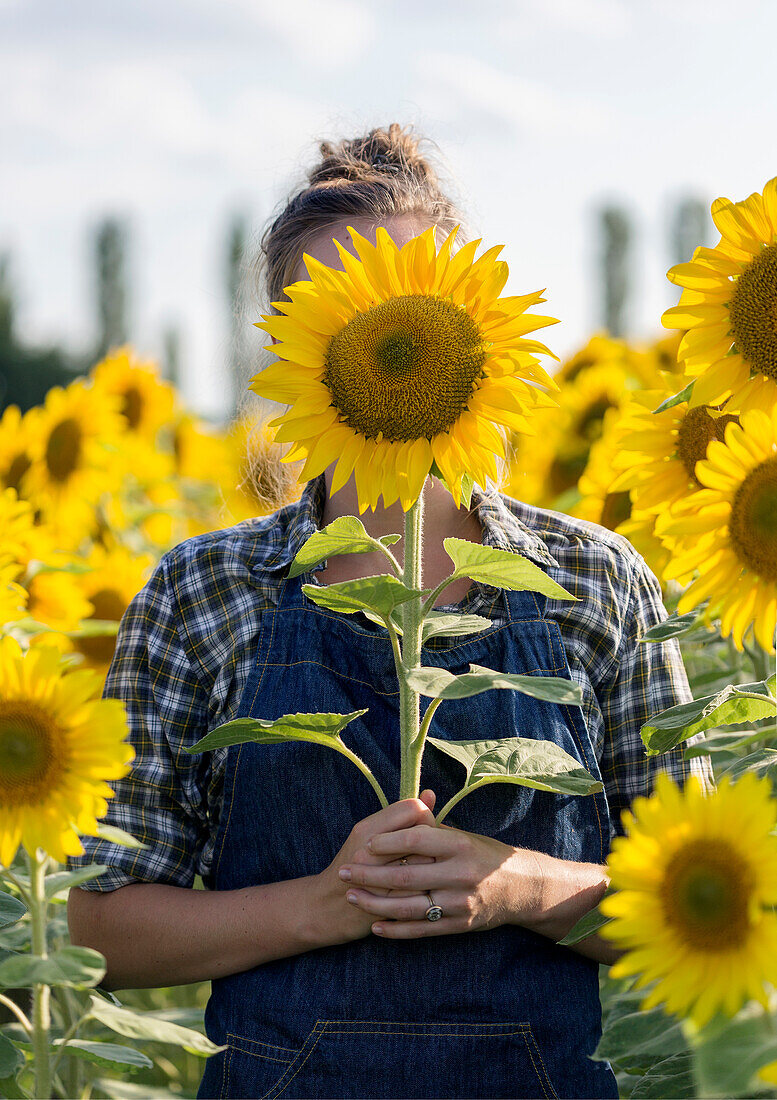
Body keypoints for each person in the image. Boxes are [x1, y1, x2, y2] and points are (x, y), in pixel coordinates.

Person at [67, 124, 711, 1100]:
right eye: (338, 309)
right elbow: (99, 930)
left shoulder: (594, 579)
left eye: (407, 296)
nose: (379, 327)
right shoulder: (204, 590)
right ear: (290, 346)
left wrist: (518, 885)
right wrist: (323, 904)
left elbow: (693, 908)